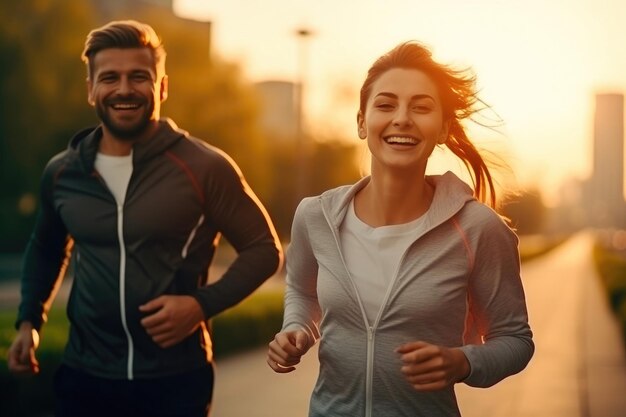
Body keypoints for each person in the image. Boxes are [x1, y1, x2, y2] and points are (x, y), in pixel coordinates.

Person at [7, 20, 283, 417]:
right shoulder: (63, 172)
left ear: (162, 87)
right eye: (110, 78)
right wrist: (28, 321)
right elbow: (47, 247)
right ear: (91, 89)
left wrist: (199, 306)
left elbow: (264, 250)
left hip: (174, 381)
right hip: (83, 375)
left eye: (139, 77)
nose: (123, 89)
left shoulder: (204, 167)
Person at [267, 41, 534, 416]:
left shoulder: (477, 228)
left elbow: (516, 340)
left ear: (443, 129)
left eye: (421, 107)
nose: (402, 118)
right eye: (386, 104)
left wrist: (463, 362)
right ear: (362, 122)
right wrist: (296, 328)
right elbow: (301, 289)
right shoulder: (316, 216)